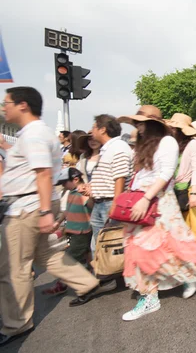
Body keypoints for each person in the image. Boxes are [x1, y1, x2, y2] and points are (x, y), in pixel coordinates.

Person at [0, 87, 102, 346]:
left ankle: (17, 322)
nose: (4, 108)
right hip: (33, 205)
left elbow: (43, 173)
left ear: (22, 105)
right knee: (47, 255)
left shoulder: (34, 134)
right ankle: (86, 282)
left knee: (15, 268)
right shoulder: (37, 133)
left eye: (7, 103)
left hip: (28, 207)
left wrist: (45, 211)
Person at [117, 105, 196, 321]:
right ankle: (155, 292)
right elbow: (142, 175)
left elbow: (165, 174)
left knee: (167, 247)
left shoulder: (168, 142)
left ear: (152, 124)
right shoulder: (144, 145)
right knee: (143, 251)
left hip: (159, 203)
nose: (137, 127)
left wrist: (145, 199)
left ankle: (167, 287)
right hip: (143, 202)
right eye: (136, 123)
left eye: (140, 123)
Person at [167, 115, 196, 255]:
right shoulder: (175, 144)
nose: (171, 130)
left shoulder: (193, 144)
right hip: (175, 189)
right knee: (179, 228)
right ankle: (188, 257)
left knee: (195, 229)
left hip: (189, 190)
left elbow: (195, 170)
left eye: (174, 128)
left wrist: (193, 193)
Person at [42, 167, 94, 296]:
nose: (63, 186)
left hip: (81, 231)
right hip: (73, 230)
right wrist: (58, 223)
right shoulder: (72, 192)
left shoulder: (83, 192)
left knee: (69, 260)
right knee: (86, 255)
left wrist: (90, 194)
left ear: (75, 179)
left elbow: (92, 207)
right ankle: (93, 276)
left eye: (65, 182)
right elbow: (67, 211)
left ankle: (63, 284)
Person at [89, 114, 133, 255]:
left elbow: (120, 177)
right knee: (101, 248)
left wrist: (115, 204)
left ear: (102, 129)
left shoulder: (118, 147)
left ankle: (118, 277)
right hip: (100, 203)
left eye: (94, 127)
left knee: (114, 249)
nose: (91, 131)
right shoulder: (107, 148)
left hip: (110, 203)